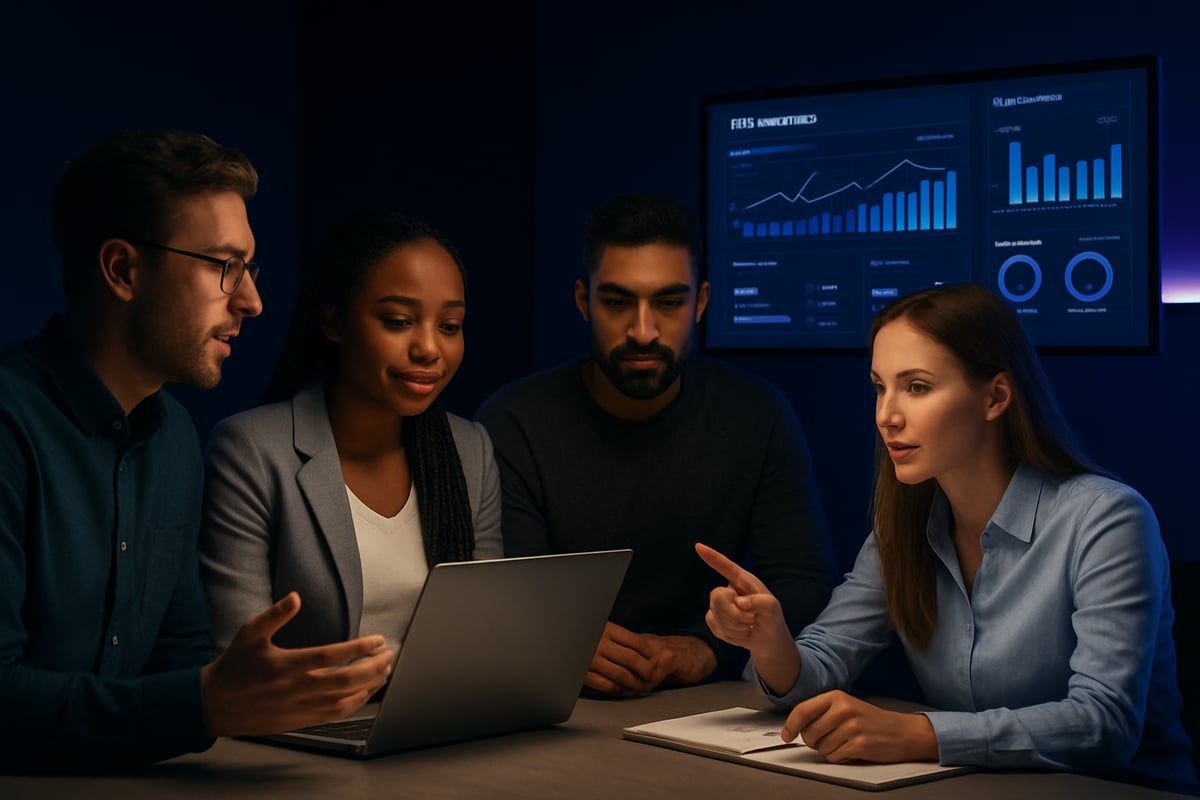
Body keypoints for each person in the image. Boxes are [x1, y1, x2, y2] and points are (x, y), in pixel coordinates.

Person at [698, 283, 1197, 793]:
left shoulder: (1106, 518)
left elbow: (1105, 724)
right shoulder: (903, 523)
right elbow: (822, 661)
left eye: (916, 387)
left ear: (995, 397)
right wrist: (771, 642)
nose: (886, 415)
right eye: (879, 387)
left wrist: (918, 733)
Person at [0, 130, 393, 770]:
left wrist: (253, 692)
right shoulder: (8, 427)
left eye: (250, 268)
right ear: (123, 270)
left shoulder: (174, 435)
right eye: (223, 266)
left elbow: (179, 659)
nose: (252, 301)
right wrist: (207, 704)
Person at [477, 193, 832, 696]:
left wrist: (704, 651)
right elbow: (503, 595)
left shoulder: (757, 413)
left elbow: (804, 585)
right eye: (617, 302)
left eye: (668, 303)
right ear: (582, 301)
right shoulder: (514, 423)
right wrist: (558, 641)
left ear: (700, 303)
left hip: (707, 706)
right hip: (554, 703)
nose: (643, 331)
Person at [199, 211, 502, 654]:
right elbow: (240, 658)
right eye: (398, 321)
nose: (429, 349)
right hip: (307, 701)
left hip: (450, 699)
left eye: (449, 327)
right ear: (334, 322)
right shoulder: (252, 452)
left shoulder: (470, 449)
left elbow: (487, 634)